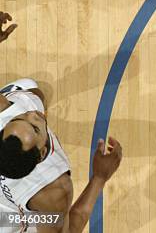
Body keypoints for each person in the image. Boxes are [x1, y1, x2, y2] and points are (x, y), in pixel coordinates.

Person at [0, 79, 122, 232]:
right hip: (11, 220)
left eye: (17, 118)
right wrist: (99, 177)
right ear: (42, 153)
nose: (32, 115)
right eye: (35, 129)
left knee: (31, 90)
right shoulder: (53, 189)